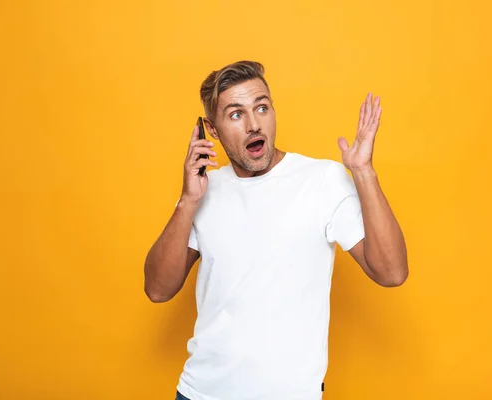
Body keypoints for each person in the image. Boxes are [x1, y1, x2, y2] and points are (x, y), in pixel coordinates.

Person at [144, 60, 409, 400]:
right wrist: (186, 201)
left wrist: (363, 172)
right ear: (212, 129)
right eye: (236, 114)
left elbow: (392, 272)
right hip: (201, 393)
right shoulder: (204, 191)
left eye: (262, 107)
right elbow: (158, 289)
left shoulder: (321, 181)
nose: (254, 124)